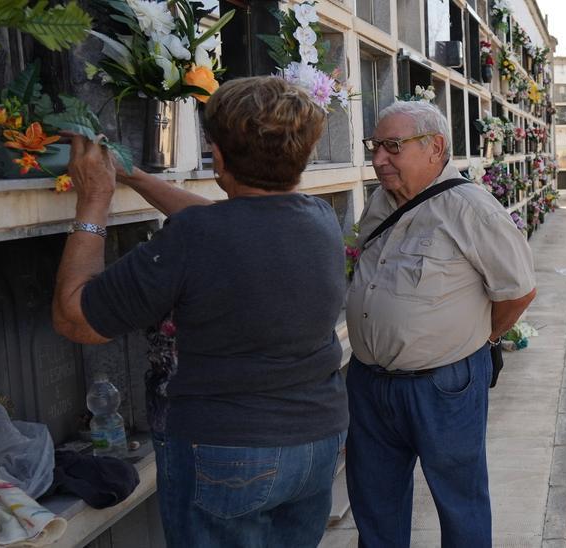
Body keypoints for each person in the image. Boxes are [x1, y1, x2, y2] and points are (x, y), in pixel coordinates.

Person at [52, 76, 348, 547]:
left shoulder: (198, 239)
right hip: (316, 445)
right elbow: (225, 223)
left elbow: (76, 319)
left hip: (229, 453)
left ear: (219, 156)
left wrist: (95, 198)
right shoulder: (319, 218)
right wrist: (137, 177)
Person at [346, 101, 536, 547]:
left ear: (435, 148)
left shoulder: (472, 209)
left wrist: (479, 339)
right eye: (375, 147)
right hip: (370, 383)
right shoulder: (380, 202)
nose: (378, 159)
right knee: (375, 504)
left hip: (443, 385)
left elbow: (519, 290)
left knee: (459, 502)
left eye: (392, 147)